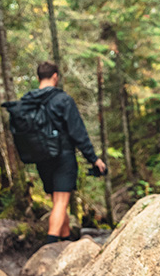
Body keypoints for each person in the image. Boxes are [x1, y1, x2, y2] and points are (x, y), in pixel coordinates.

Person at [21, 61, 107, 246]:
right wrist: (93, 159)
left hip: (41, 157)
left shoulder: (28, 101)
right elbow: (78, 132)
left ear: (38, 78)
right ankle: (50, 247)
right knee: (61, 202)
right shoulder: (63, 100)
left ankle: (66, 240)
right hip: (63, 157)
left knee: (58, 201)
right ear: (55, 77)